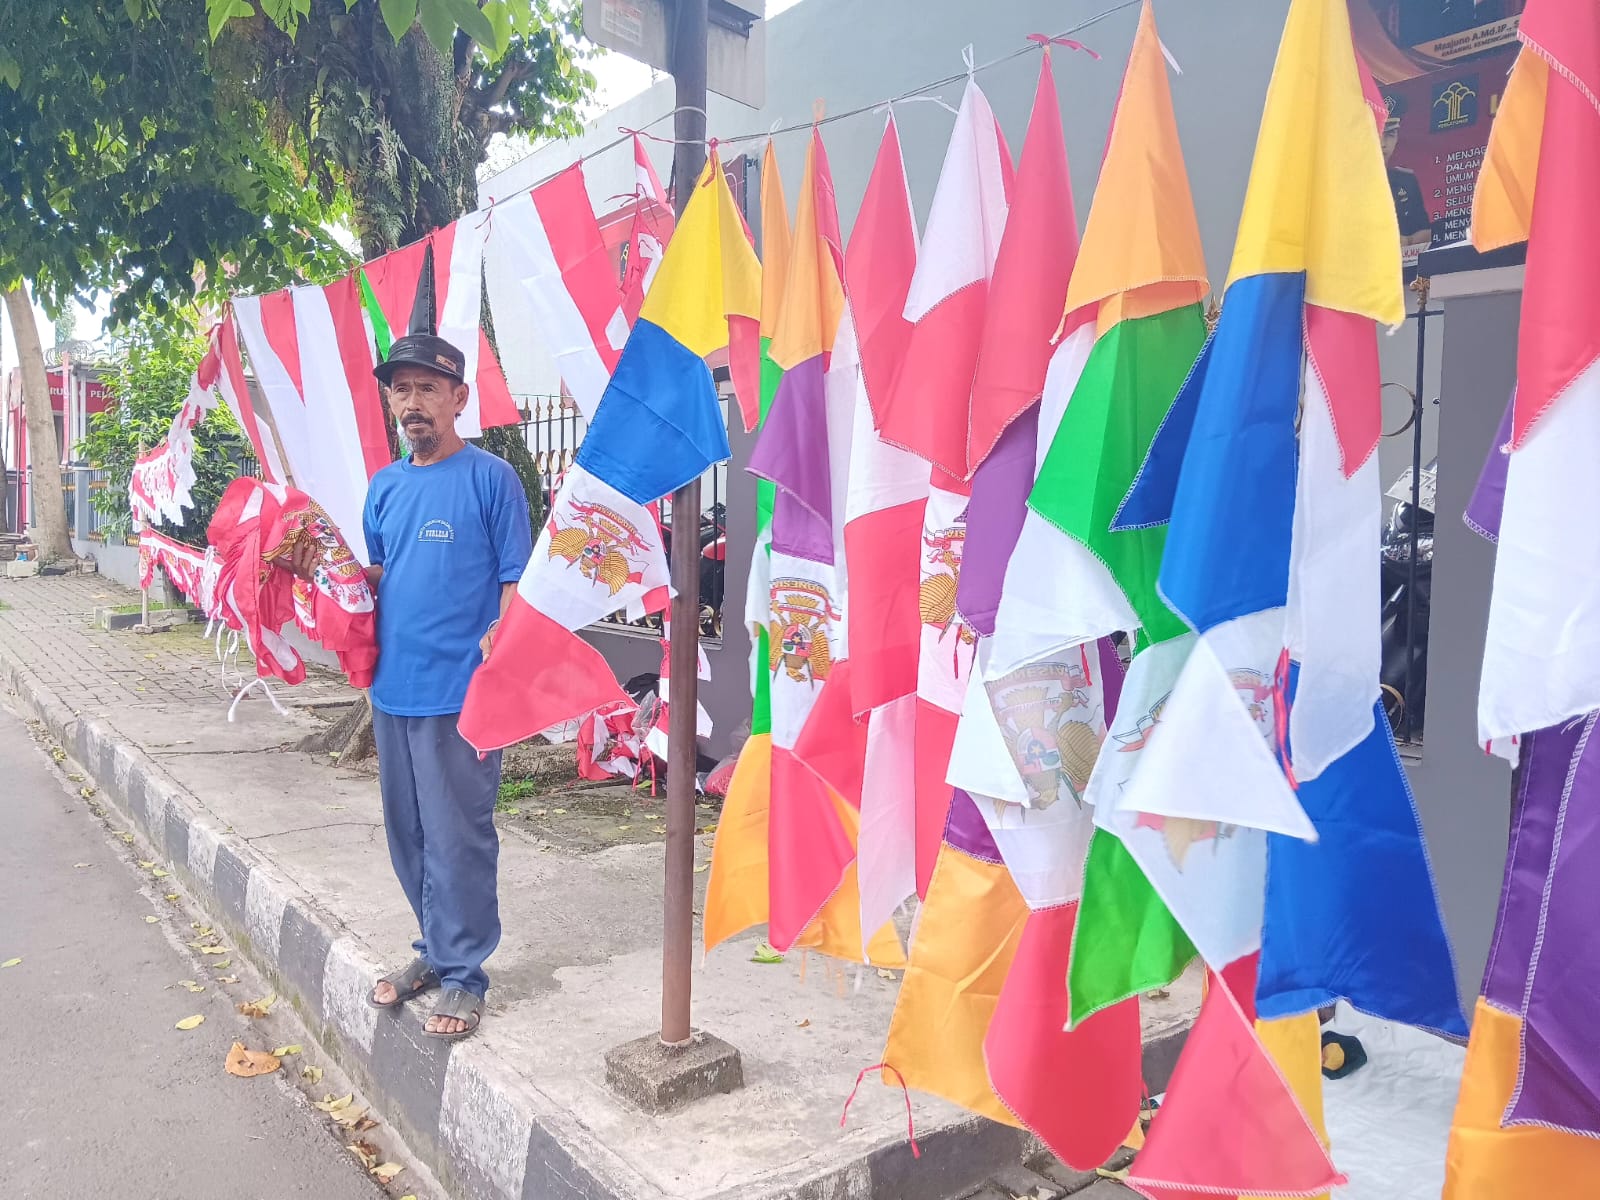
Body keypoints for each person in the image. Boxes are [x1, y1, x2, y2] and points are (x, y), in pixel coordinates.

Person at [285, 333, 531, 1040]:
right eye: (402, 389)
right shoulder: (386, 487)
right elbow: (384, 578)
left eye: (429, 388)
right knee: (410, 834)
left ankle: (464, 975)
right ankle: (434, 950)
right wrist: (328, 577)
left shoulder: (491, 479)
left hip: (463, 694)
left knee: (460, 835)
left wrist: (500, 649)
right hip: (393, 690)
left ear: (458, 398)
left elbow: (517, 581)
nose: (414, 402)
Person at [1382, 115, 1434, 259]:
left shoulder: (1406, 180)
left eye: (1390, 135)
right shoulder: (1344, 184)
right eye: (1376, 134)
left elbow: (1422, 236)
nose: (1383, 144)